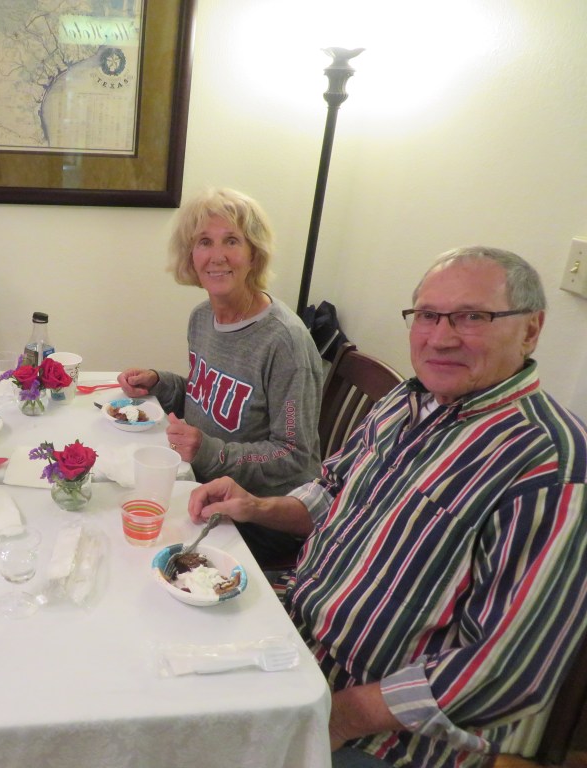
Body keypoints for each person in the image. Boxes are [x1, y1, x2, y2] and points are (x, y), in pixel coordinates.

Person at [186, 247, 587, 768]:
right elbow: (330, 491)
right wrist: (256, 505)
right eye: (428, 315)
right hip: (296, 636)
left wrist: (338, 718)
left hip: (383, 731)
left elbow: (510, 670)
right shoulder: (405, 401)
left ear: (531, 329)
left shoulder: (550, 464)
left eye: (472, 317)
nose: (441, 337)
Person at [118, 187, 323, 564]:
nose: (217, 256)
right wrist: (161, 383)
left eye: (232, 240)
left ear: (253, 253)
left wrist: (210, 452)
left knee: (129, 550)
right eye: (204, 242)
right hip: (198, 488)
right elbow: (209, 400)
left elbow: (295, 457)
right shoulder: (202, 318)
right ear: (190, 255)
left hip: (253, 522)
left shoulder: (285, 343)